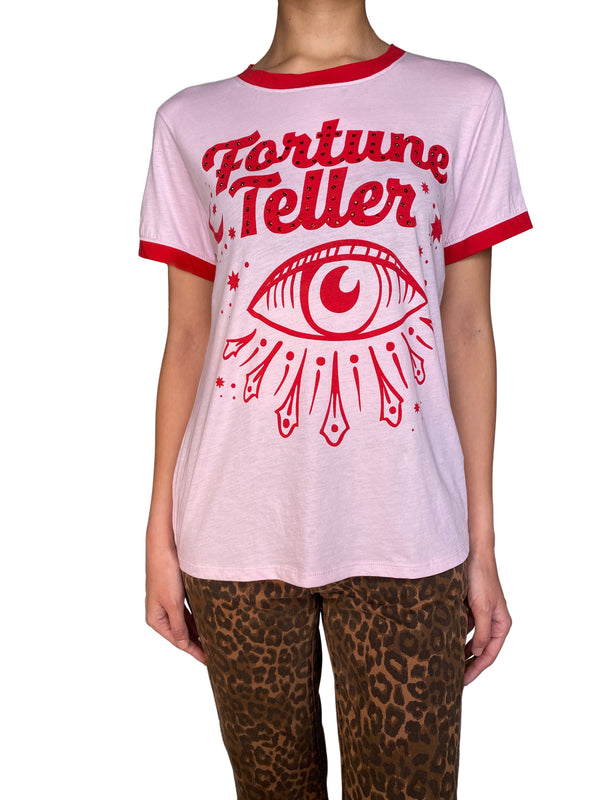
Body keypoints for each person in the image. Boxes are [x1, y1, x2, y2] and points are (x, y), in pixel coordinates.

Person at [138, 1, 532, 797]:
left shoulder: (464, 101)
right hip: (233, 532)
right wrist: (158, 534)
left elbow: (466, 328)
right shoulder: (190, 120)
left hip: (410, 529)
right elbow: (187, 337)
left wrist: (482, 543)